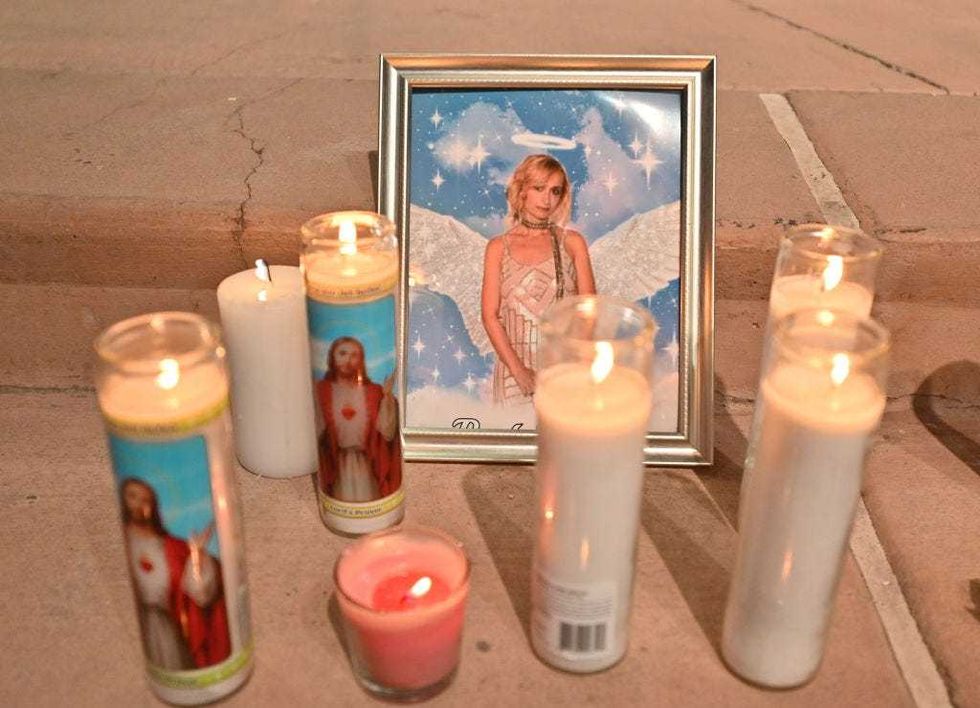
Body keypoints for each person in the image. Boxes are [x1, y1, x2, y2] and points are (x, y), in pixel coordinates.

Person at [481, 154, 596, 403]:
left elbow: (588, 314)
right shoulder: (498, 248)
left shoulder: (572, 243)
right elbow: (490, 316)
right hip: (513, 376)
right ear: (522, 190)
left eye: (555, 191)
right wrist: (519, 372)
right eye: (539, 188)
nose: (546, 199)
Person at [119, 477, 231, 671]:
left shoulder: (171, 547)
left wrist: (197, 555)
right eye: (132, 496)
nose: (139, 504)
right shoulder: (126, 540)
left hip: (166, 627)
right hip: (138, 618)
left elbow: (199, 594)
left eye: (146, 500)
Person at [316, 336, 401, 502]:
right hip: (338, 465)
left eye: (354, 355)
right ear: (332, 357)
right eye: (342, 353)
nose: (348, 360)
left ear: (361, 360)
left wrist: (387, 397)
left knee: (368, 499)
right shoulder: (323, 391)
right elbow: (318, 432)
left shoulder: (374, 392)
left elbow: (387, 433)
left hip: (365, 464)